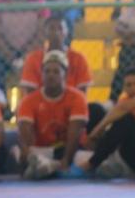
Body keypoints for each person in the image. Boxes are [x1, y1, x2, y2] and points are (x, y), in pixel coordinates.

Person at [81, 66, 135, 178]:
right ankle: (94, 157)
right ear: (123, 87)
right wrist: (98, 135)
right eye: (128, 85)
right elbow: (116, 121)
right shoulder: (124, 101)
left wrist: (97, 129)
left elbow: (122, 108)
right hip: (134, 156)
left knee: (125, 120)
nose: (133, 88)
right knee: (98, 112)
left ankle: (92, 163)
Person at [16, 50, 89, 179]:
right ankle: (46, 166)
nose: (51, 75)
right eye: (47, 71)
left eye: (56, 71)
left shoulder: (77, 98)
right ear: (41, 75)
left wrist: (66, 160)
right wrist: (26, 153)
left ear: (65, 75)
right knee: (18, 152)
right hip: (42, 151)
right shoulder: (28, 100)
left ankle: (47, 167)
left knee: (86, 158)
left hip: (70, 151)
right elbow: (25, 134)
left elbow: (75, 133)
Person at [20, 16, 92, 95]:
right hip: (41, 105)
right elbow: (30, 93)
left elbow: (82, 93)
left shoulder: (78, 59)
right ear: (44, 33)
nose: (56, 32)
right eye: (51, 28)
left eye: (60, 28)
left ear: (66, 32)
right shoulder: (33, 59)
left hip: (70, 104)